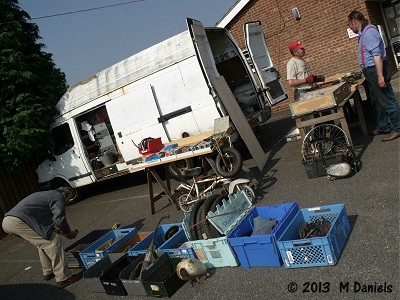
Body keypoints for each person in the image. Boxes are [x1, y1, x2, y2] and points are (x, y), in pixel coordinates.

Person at [2, 187, 82, 288]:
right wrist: (69, 232)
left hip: (8, 222)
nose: (66, 203)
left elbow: (50, 229)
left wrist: (66, 233)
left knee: (44, 240)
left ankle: (48, 271)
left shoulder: (46, 196)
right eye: (67, 199)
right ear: (64, 194)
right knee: (53, 242)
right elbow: (59, 218)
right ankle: (64, 277)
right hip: (19, 221)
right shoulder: (57, 197)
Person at [348, 10, 400, 142]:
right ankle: (383, 126)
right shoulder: (363, 32)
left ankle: (397, 128)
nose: (349, 27)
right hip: (370, 71)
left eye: (349, 24)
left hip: (375, 70)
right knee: (377, 100)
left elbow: (376, 55)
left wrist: (380, 75)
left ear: (354, 21)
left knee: (387, 100)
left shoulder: (369, 32)